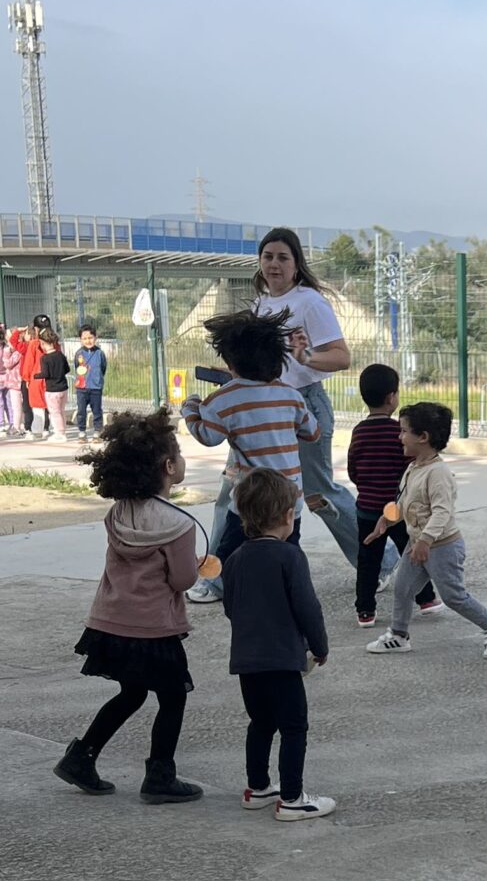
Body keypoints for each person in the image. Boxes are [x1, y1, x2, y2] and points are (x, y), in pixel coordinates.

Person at [54, 406, 204, 803]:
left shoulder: (118, 513)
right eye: (179, 454)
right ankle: (160, 775)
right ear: (169, 466)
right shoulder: (179, 523)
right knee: (173, 697)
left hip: (112, 621)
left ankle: (81, 756)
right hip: (154, 627)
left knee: (132, 693)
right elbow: (183, 580)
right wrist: (195, 566)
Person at [220, 468, 336, 820]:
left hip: (247, 659)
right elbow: (307, 607)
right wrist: (319, 646)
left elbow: (230, 607)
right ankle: (292, 798)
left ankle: (258, 788)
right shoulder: (290, 556)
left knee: (261, 722)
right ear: (288, 516)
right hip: (283, 659)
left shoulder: (235, 559)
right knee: (294, 726)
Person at [183, 309, 319, 602]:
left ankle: (222, 590)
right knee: (289, 550)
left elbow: (207, 436)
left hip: (252, 500)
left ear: (230, 362)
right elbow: (313, 433)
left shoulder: (223, 399)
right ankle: (291, 595)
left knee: (230, 551)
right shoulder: (291, 395)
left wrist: (191, 408)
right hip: (290, 497)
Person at [250, 227, 365, 571]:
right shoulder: (260, 303)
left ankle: (380, 561)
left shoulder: (310, 302)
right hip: (264, 406)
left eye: (283, 258)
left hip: (304, 404)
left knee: (317, 494)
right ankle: (221, 574)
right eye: (268, 256)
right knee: (242, 489)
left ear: (296, 264)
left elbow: (341, 357)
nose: (274, 264)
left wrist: (306, 357)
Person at [365, 401, 487, 657]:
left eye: (403, 431)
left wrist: (425, 541)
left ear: (423, 437)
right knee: (403, 589)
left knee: (454, 596)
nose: (399, 437)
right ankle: (399, 636)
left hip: (442, 547)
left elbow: (442, 512)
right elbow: (405, 502)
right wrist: (387, 520)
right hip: (417, 544)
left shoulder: (438, 473)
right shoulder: (413, 467)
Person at [344, 361, 434, 628]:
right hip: (398, 508)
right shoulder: (399, 432)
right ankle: (426, 598)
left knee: (367, 559)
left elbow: (353, 468)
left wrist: (366, 486)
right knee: (412, 550)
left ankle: (365, 611)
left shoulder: (359, 431)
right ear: (391, 397)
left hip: (367, 508)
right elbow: (409, 466)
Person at [10, 323, 46, 434]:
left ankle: (29, 427)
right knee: (42, 404)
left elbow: (13, 341)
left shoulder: (26, 346)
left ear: (29, 335)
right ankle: (45, 427)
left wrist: (18, 330)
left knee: (27, 405)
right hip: (40, 378)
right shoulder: (42, 346)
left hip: (27, 378)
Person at [37, 322, 71, 436]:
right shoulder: (60, 355)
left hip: (52, 390)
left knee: (54, 412)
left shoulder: (44, 358)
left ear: (42, 343)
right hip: (63, 388)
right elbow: (67, 369)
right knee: (61, 411)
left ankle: (59, 433)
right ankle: (63, 430)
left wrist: (36, 376)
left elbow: (45, 374)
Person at [73, 326, 107, 434]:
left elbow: (103, 368)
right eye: (85, 338)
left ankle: (97, 431)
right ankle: (82, 431)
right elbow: (77, 367)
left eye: (90, 338)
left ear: (95, 338)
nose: (88, 341)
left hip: (96, 387)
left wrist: (97, 379)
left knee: (97, 410)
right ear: (80, 339)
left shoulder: (100, 353)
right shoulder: (78, 353)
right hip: (81, 388)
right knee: (81, 410)